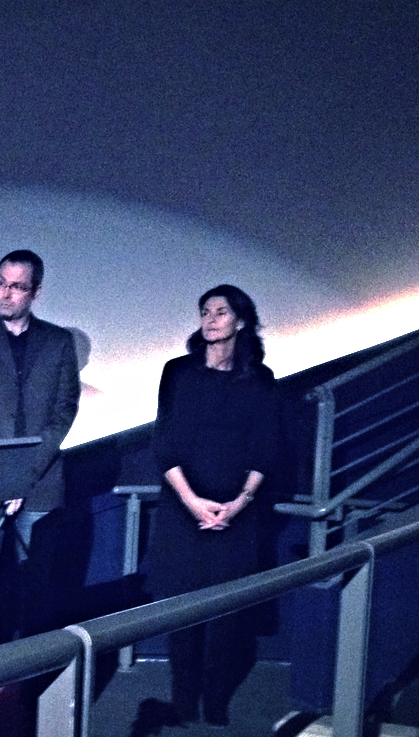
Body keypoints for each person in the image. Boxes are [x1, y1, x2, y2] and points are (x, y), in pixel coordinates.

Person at [145, 284, 277, 727]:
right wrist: (193, 503)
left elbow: (266, 450)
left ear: (240, 321)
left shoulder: (260, 379)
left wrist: (238, 504)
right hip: (184, 511)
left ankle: (216, 702)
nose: (211, 318)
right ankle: (183, 703)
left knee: (226, 618)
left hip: (235, 516)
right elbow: (164, 446)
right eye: (205, 311)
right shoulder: (178, 372)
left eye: (221, 312)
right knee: (182, 614)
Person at [0, 249, 81, 636]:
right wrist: (5, 480)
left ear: (35, 293)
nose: (6, 294)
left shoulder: (58, 342)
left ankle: (25, 681)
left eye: (18, 287)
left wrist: (24, 478)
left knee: (35, 589)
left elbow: (64, 410)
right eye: (1, 284)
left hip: (41, 484)